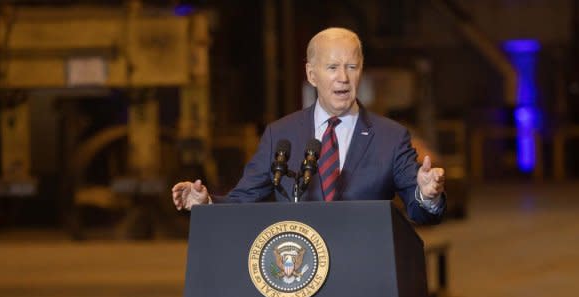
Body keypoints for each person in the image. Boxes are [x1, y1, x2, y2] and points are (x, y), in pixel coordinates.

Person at [172, 27, 446, 225]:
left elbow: (420, 211)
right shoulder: (280, 134)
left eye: (352, 66)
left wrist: (427, 193)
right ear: (311, 74)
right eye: (332, 67)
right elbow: (242, 202)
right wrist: (205, 203)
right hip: (296, 275)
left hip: (363, 275)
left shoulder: (391, 137)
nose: (343, 78)